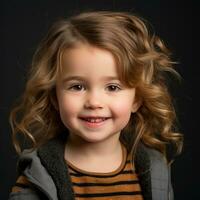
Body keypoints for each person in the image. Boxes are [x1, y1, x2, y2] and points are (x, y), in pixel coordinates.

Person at [8, 10, 183, 200]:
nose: (94, 102)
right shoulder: (37, 176)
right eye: (77, 86)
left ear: (136, 99)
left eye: (113, 87)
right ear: (54, 98)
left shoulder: (155, 172)